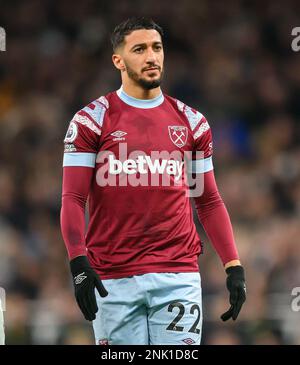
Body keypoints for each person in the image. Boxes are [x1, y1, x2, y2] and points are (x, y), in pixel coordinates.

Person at [60, 16, 246, 345]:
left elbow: (208, 201)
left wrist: (233, 265)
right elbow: (73, 199)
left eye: (157, 48)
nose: (151, 57)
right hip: (113, 277)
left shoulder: (192, 122)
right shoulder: (92, 120)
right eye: (140, 49)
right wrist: (78, 261)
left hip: (178, 275)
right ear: (118, 60)